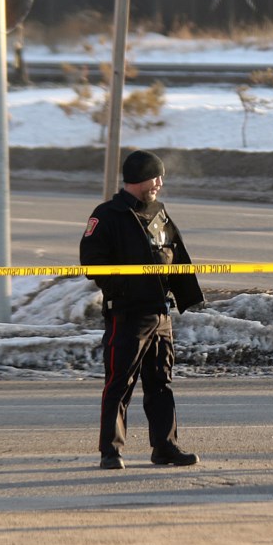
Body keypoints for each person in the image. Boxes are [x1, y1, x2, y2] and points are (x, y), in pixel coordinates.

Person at [80, 149, 205, 470]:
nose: (160, 184)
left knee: (161, 381)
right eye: (155, 177)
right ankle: (111, 451)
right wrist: (124, 289)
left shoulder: (160, 214)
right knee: (120, 382)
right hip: (128, 313)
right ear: (137, 179)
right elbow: (92, 261)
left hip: (160, 312)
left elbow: (176, 254)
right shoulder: (108, 214)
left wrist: (185, 293)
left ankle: (165, 447)